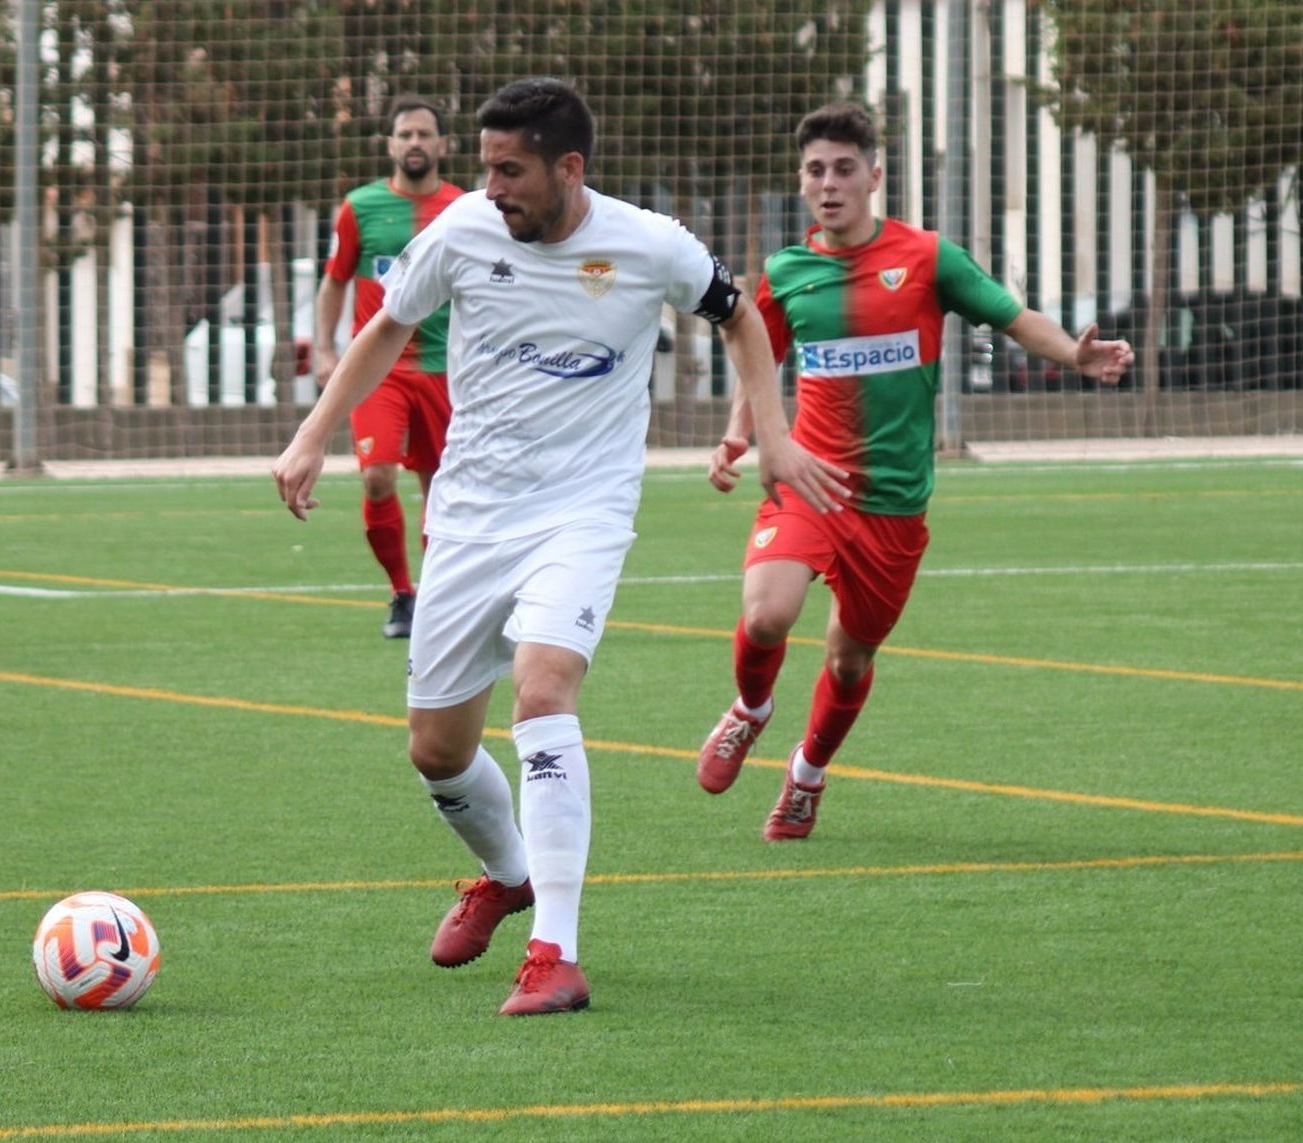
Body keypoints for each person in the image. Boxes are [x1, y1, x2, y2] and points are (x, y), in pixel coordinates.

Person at [274, 78, 847, 1016]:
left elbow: (739, 315)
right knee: (436, 750)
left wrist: (772, 434)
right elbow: (388, 325)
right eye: (487, 166)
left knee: (544, 690)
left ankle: (556, 954)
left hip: (581, 512)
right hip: (468, 518)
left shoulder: (648, 243)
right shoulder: (461, 229)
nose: (491, 186)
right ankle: (508, 875)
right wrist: (311, 435)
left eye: (511, 170)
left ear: (568, 168)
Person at [698, 102, 1134, 841]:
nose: (828, 183)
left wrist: (1072, 354)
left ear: (874, 175)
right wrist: (740, 434)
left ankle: (806, 773)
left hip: (895, 503)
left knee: (848, 656)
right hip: (809, 478)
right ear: (801, 182)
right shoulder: (785, 272)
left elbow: (1011, 315)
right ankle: (750, 710)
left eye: (843, 169)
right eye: (815, 170)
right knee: (766, 612)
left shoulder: (930, 258)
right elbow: (759, 361)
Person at [315, 96, 464, 639]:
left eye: (425, 134)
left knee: (441, 491)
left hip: (448, 369)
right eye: (405, 135)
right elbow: (334, 280)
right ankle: (403, 594)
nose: (415, 143)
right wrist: (326, 350)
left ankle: (439, 598)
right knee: (378, 479)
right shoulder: (360, 206)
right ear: (391, 145)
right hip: (379, 371)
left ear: (443, 145)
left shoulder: (466, 208)